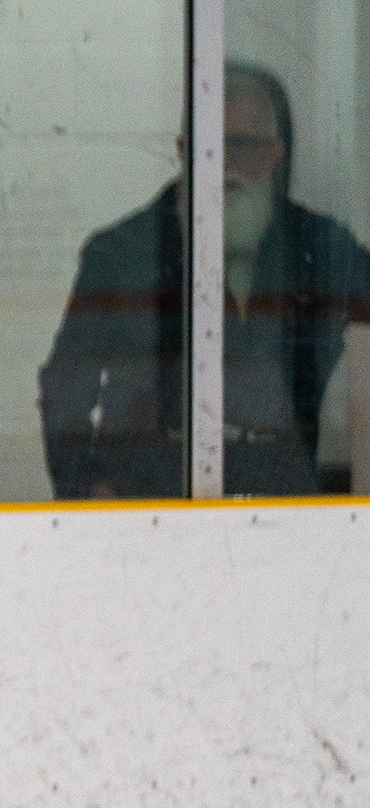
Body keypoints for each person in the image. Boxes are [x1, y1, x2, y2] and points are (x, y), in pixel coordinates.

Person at [40, 60, 370, 498]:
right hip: (153, 504)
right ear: (182, 149)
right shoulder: (121, 253)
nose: (223, 162)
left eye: (242, 145)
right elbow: (65, 385)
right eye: (208, 145)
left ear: (276, 152)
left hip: (286, 501)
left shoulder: (321, 247)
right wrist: (86, 489)